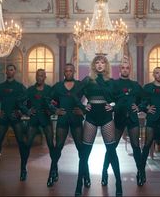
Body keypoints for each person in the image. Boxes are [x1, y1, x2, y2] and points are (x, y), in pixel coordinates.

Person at [74, 55, 122, 197]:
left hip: (107, 118)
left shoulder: (111, 82)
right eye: (97, 63)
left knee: (112, 152)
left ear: (106, 65)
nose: (100, 65)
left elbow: (120, 99)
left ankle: (119, 184)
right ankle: (78, 184)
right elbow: (74, 95)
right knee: (84, 153)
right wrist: (83, 108)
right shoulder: (88, 80)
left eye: (102, 62)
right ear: (94, 65)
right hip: (91, 118)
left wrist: (113, 106)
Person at [101, 60, 144, 186]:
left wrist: (140, 107)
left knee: (136, 147)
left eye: (127, 68)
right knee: (111, 147)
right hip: (119, 118)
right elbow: (109, 98)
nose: (125, 70)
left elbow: (145, 99)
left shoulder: (135, 85)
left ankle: (140, 173)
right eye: (123, 68)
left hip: (132, 119)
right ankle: (104, 172)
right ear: (120, 69)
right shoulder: (114, 84)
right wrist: (112, 106)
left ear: (129, 70)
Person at [48, 63, 90, 187]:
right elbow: (47, 100)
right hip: (63, 119)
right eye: (66, 71)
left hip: (76, 119)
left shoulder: (79, 85)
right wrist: (55, 110)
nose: (68, 72)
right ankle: (52, 172)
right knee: (58, 148)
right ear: (64, 72)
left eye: (71, 70)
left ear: (74, 71)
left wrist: (84, 110)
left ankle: (85, 175)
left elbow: (91, 98)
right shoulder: (58, 86)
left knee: (81, 149)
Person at [18, 69, 54, 182]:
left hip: (46, 119)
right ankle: (23, 169)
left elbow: (56, 102)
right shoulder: (30, 90)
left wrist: (51, 111)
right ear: (36, 77)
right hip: (33, 120)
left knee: (51, 145)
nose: (39, 77)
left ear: (45, 77)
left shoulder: (49, 89)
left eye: (42, 76)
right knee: (27, 144)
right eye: (38, 75)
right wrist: (27, 111)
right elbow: (19, 102)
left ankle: (54, 170)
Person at [0, 64, 27, 179]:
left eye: (12, 70)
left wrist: (21, 112)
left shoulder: (20, 87)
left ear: (14, 72)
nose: (10, 71)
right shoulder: (1, 87)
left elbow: (27, 101)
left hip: (15, 118)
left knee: (21, 142)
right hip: (3, 117)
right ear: (6, 72)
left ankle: (23, 169)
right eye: (8, 70)